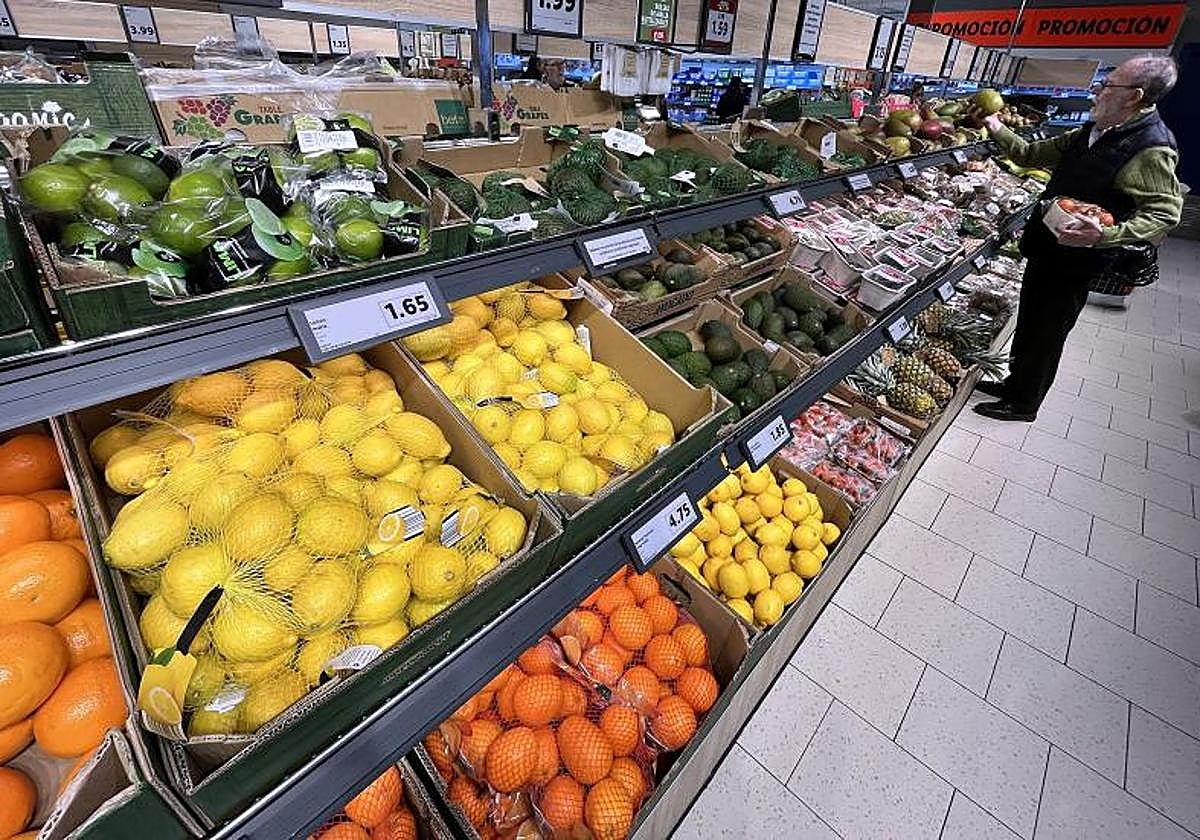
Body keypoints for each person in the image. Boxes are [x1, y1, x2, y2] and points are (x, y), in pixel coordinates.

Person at [972, 55, 1182, 422]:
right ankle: (1014, 383)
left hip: (1079, 258)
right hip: (1048, 245)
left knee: (1050, 328)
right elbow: (1032, 154)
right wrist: (995, 125)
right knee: (1033, 318)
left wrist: (1106, 234)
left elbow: (1165, 213)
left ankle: (1024, 404)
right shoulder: (1095, 129)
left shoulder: (1151, 147)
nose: (1097, 90)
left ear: (1133, 96)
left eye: (1107, 84)